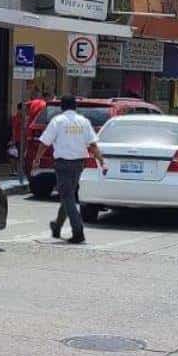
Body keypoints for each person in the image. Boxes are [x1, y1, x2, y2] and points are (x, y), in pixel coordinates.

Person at [38, 96, 103, 245]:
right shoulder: (83, 122)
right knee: (68, 196)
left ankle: (78, 231)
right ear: (75, 107)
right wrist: (101, 160)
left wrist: (37, 160)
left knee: (67, 196)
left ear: (62, 107)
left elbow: (44, 142)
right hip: (78, 164)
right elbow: (92, 145)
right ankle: (57, 225)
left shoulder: (58, 121)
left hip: (63, 164)